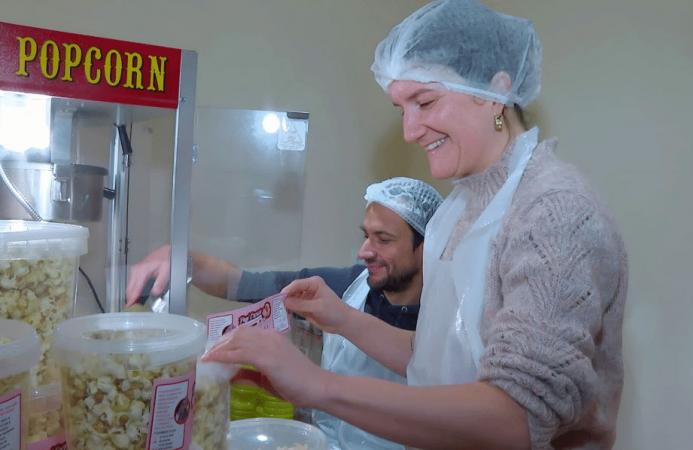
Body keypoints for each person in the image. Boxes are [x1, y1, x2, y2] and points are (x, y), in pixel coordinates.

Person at [202, 1, 629, 449]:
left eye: (425, 101)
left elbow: (516, 419)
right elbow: (431, 361)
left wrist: (317, 386)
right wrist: (343, 319)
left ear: (494, 92)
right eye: (400, 107)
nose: (409, 130)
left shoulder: (554, 212)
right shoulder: (459, 209)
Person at [125, 177, 443, 449]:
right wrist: (183, 259)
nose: (364, 252)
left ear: (427, 246)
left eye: (383, 239)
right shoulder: (347, 286)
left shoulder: (450, 317)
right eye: (365, 236)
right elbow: (241, 282)